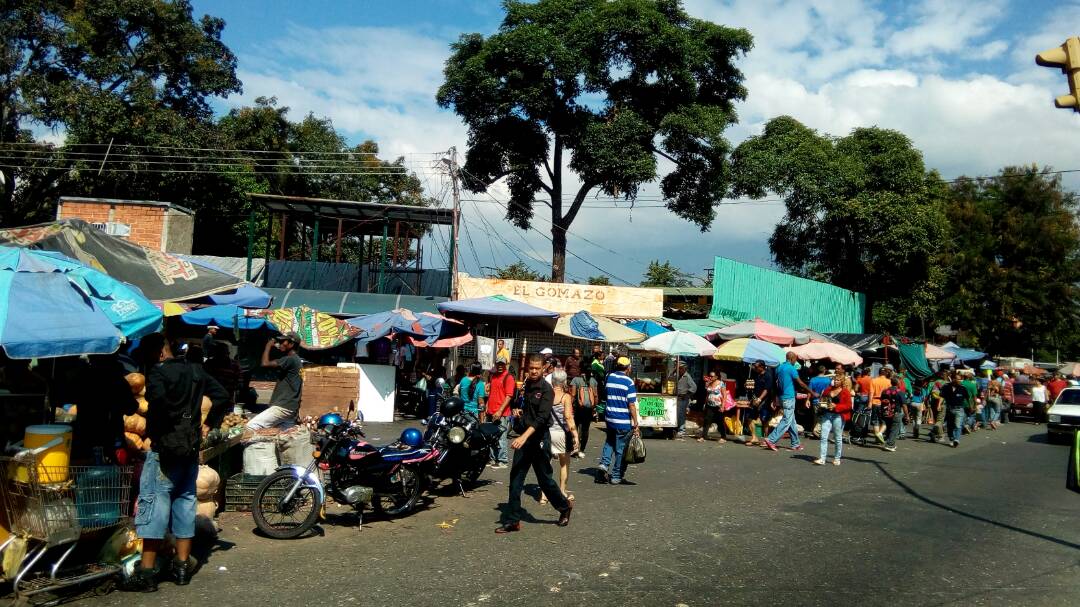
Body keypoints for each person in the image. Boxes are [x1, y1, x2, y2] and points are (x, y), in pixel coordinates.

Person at [123, 334, 229, 592]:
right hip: (189, 450)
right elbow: (222, 396)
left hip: (164, 451)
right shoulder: (195, 371)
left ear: (160, 353)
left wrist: (163, 426)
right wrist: (206, 424)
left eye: (148, 355)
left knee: (153, 506)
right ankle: (182, 567)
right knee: (184, 503)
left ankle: (146, 574)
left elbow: (158, 403)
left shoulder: (158, 374)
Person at [496, 355, 573, 534]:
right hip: (523, 438)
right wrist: (516, 410)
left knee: (544, 480)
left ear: (543, 368)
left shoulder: (547, 390)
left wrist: (524, 437)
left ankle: (564, 507)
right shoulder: (526, 385)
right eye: (531, 368)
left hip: (538, 440)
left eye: (537, 368)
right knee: (515, 480)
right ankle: (513, 520)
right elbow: (521, 405)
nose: (533, 371)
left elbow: (542, 418)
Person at [247, 332, 303, 431]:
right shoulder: (295, 360)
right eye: (279, 342)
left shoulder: (290, 359)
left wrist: (268, 346)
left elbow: (265, 364)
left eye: (283, 342)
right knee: (281, 438)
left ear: (291, 344)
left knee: (252, 425)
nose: (280, 344)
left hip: (283, 406)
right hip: (290, 407)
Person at [598, 356, 640, 485]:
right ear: (628, 368)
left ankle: (604, 464)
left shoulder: (609, 378)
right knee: (620, 448)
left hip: (610, 418)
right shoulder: (629, 382)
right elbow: (631, 405)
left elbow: (606, 394)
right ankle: (616, 476)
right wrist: (636, 422)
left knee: (609, 441)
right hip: (623, 420)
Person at [763, 352, 814, 452]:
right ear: (791, 358)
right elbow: (800, 382)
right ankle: (771, 439)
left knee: (791, 421)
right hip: (789, 397)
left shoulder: (779, 367)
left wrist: (774, 398)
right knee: (787, 420)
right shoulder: (791, 368)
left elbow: (775, 384)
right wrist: (811, 392)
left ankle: (795, 443)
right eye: (795, 359)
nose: (796, 361)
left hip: (781, 396)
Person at [542, 370, 578, 505]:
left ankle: (544, 496)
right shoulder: (566, 397)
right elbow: (568, 417)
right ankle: (562, 492)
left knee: (546, 465)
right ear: (564, 382)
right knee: (564, 464)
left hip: (547, 433)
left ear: (552, 382)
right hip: (561, 433)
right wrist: (575, 435)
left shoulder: (547, 396)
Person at [815, 371, 852, 465]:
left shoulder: (845, 392)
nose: (835, 381)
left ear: (842, 382)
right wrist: (822, 404)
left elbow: (849, 406)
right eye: (835, 379)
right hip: (827, 414)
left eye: (838, 380)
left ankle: (837, 458)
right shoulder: (828, 389)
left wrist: (836, 406)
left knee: (838, 438)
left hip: (838, 416)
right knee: (823, 437)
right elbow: (822, 400)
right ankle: (822, 458)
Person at [486, 359, 516, 469]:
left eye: (502, 364)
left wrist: (499, 411)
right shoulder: (493, 376)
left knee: (501, 437)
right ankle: (493, 458)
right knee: (491, 436)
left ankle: (503, 460)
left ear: (506, 364)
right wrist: (487, 407)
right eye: (498, 363)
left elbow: (509, 396)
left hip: (502, 413)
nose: (500, 366)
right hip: (491, 411)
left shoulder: (509, 378)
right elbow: (491, 393)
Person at [570, 366, 598, 458]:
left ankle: (575, 448)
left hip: (578, 408)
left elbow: (573, 395)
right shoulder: (593, 381)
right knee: (585, 429)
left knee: (575, 427)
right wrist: (594, 408)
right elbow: (595, 395)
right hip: (588, 408)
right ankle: (582, 450)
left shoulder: (576, 380)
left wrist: (570, 406)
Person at [746, 361, 775, 447]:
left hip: (764, 401)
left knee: (764, 420)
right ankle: (754, 437)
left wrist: (760, 399)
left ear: (762, 367)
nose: (754, 368)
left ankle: (767, 440)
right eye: (754, 366)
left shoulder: (768, 375)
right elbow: (753, 386)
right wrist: (748, 385)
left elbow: (766, 389)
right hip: (754, 399)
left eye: (756, 366)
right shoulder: (756, 375)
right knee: (749, 418)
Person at [698, 371, 728, 443]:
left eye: (712, 376)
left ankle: (723, 437)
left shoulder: (721, 384)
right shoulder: (708, 383)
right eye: (710, 376)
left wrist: (723, 406)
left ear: (716, 377)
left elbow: (725, 395)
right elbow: (708, 394)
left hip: (718, 405)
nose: (710, 377)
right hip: (709, 405)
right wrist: (705, 404)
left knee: (720, 421)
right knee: (707, 421)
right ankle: (703, 436)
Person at [941, 372, 969, 448]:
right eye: (958, 379)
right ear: (953, 379)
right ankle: (952, 438)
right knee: (950, 426)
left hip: (959, 409)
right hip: (949, 409)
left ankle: (956, 439)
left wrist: (971, 406)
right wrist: (939, 405)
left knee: (957, 425)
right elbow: (942, 396)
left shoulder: (962, 388)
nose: (960, 380)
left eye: (960, 379)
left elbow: (967, 398)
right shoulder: (946, 387)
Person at [880, 377, 908, 452]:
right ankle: (890, 444)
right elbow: (904, 405)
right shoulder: (900, 392)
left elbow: (881, 400)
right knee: (894, 429)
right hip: (896, 412)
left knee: (889, 428)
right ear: (898, 383)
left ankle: (889, 443)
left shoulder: (885, 391)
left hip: (885, 412)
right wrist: (907, 415)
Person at [807, 366, 832, 439]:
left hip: (815, 401)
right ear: (824, 371)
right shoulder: (828, 380)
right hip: (825, 401)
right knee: (824, 417)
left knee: (816, 417)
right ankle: (820, 432)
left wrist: (808, 399)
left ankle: (815, 432)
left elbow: (809, 391)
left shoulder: (813, 380)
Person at [869, 367, 893, 444]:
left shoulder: (873, 380)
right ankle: (880, 434)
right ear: (886, 373)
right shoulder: (889, 382)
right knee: (885, 420)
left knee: (875, 420)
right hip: (885, 403)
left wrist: (869, 403)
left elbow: (871, 393)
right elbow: (891, 393)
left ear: (878, 373)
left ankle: (877, 437)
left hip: (875, 402)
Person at [674, 362, 697, 439]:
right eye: (678, 368)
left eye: (680, 368)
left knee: (681, 414)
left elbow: (694, 387)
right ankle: (677, 428)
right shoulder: (676, 375)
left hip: (683, 398)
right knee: (676, 414)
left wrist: (686, 394)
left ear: (684, 369)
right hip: (676, 397)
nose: (679, 370)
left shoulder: (687, 376)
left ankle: (681, 430)